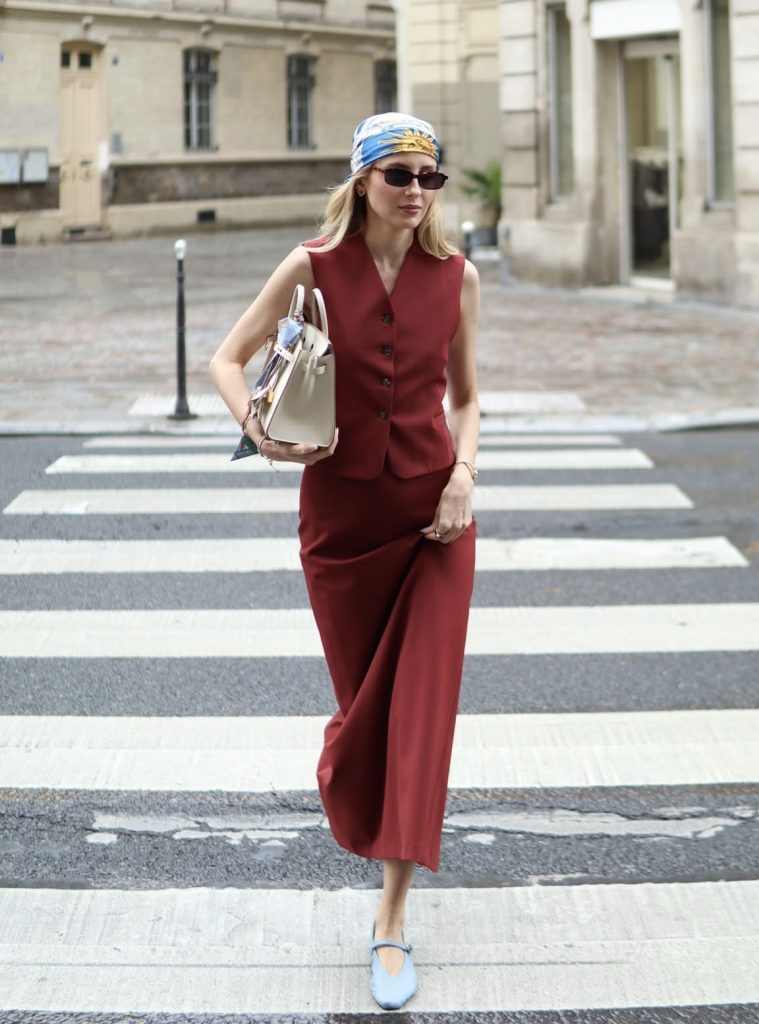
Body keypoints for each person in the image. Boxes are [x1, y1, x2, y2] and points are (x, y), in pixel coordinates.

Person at [209, 111, 479, 1011]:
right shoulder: (312, 268)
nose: (415, 193)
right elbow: (228, 358)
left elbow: (468, 398)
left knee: (418, 716)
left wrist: (463, 476)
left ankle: (392, 915)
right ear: (362, 179)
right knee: (364, 711)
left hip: (433, 522)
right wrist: (260, 431)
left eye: (428, 178)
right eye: (398, 175)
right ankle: (353, 789)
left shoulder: (458, 277)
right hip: (340, 524)